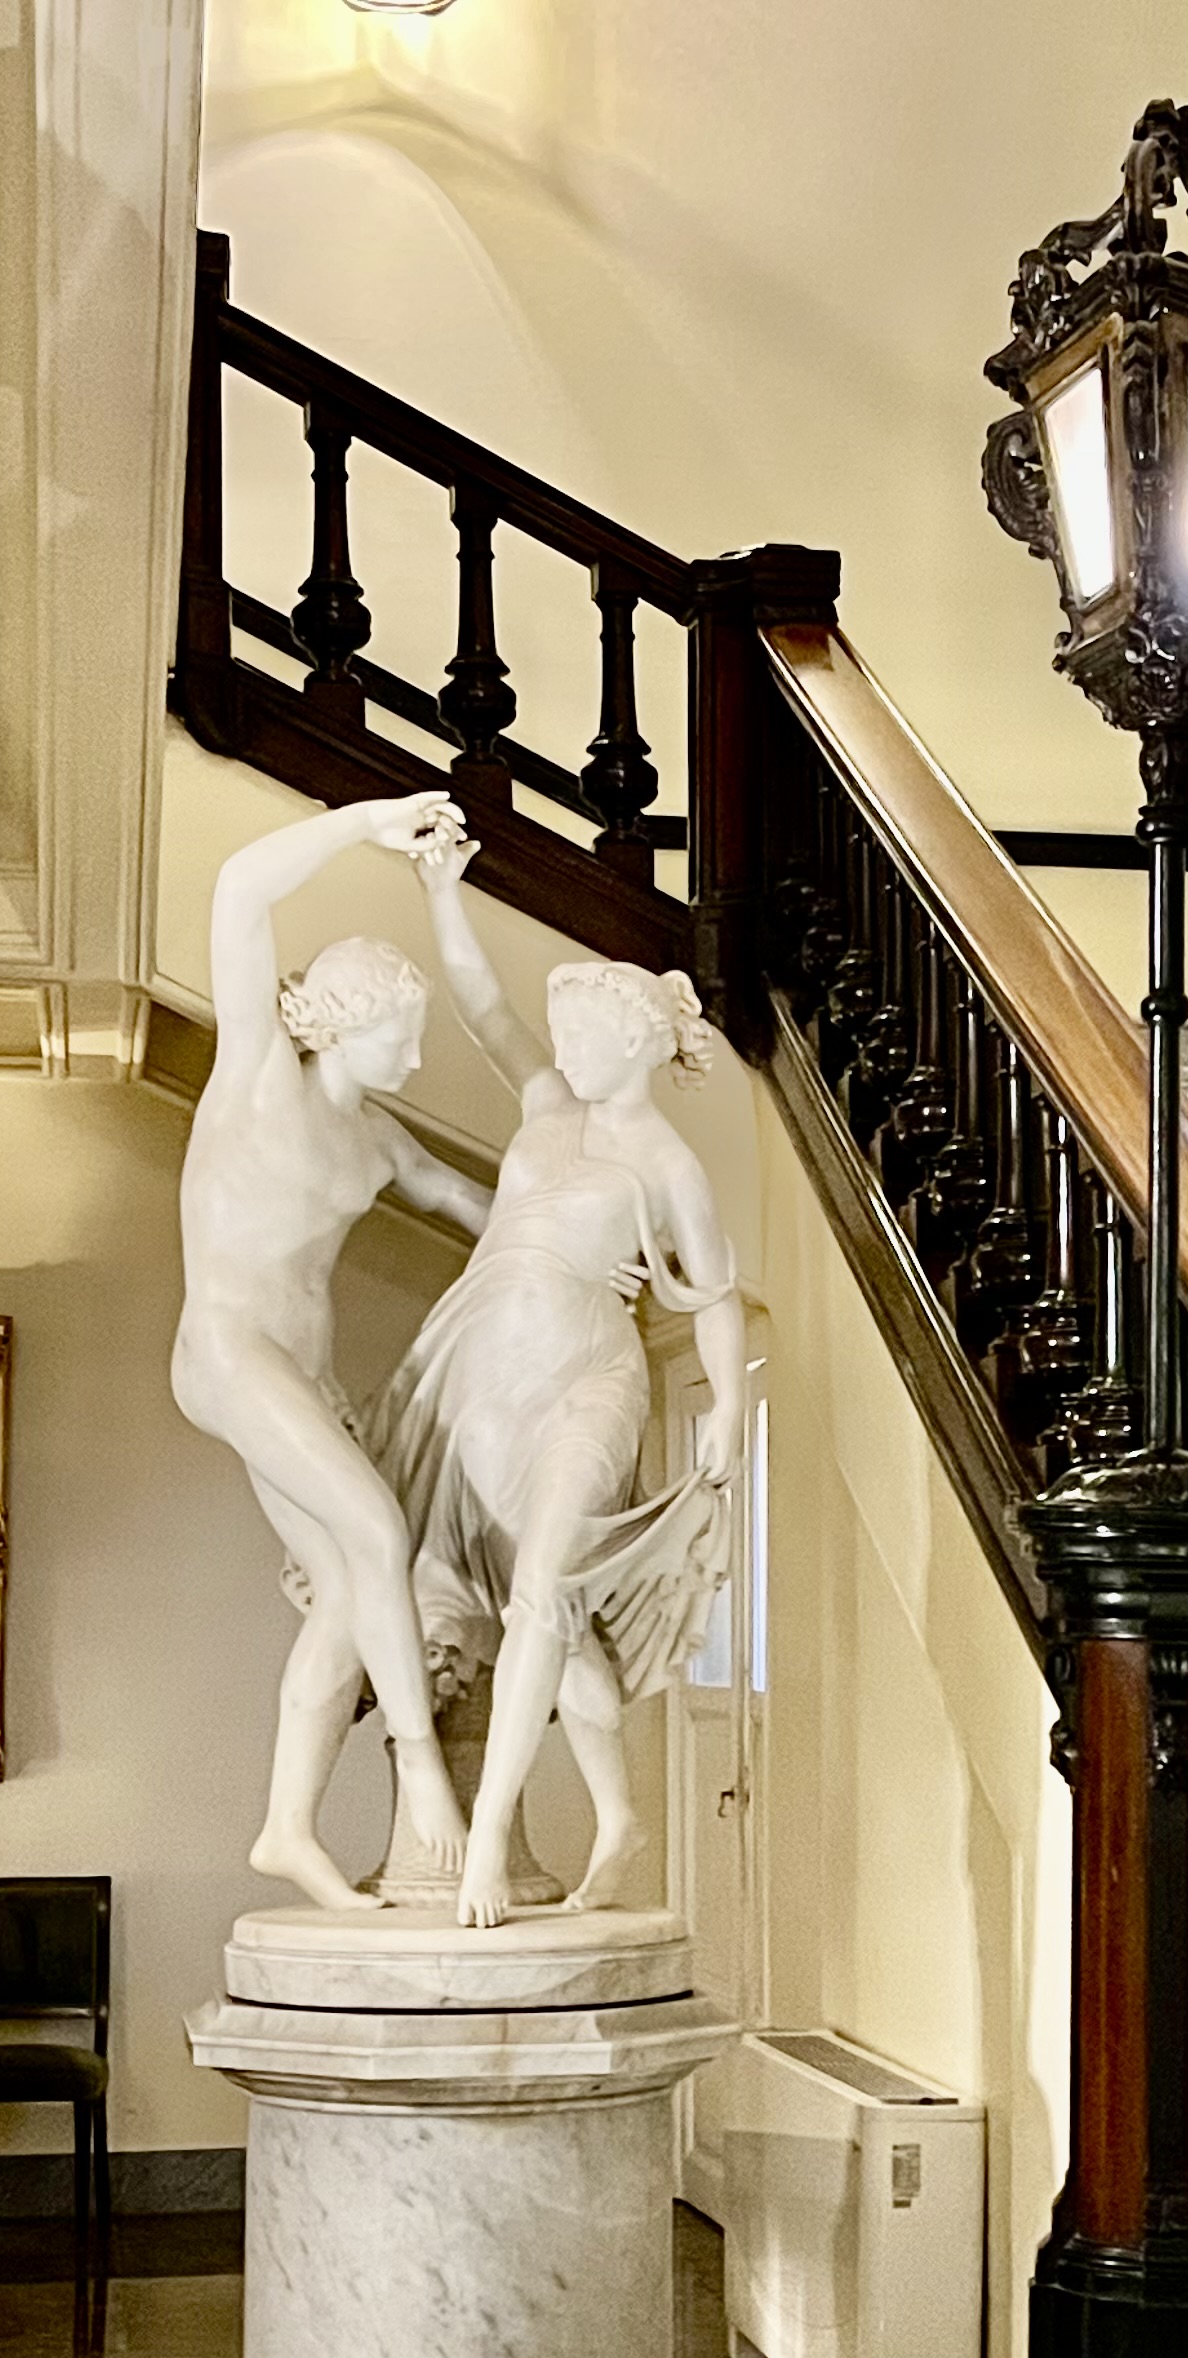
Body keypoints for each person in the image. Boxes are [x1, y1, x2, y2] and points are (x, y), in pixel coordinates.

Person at [375, 837, 746, 1928]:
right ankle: (620, 1816)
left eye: (587, 1033)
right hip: (487, 1371)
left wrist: (726, 1403)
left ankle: (488, 1841)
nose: (566, 1048)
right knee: (550, 1616)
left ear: (634, 1042)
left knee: (542, 1590)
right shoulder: (545, 1107)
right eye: (567, 1032)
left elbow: (715, 1295)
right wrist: (441, 893)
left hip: (590, 1378)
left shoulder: (669, 1166)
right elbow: (482, 1002)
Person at [172, 792, 493, 1911]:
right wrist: (369, 822)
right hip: (230, 1351)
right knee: (377, 1530)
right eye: (399, 1029)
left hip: (303, 1378)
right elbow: (239, 891)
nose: (415, 1048)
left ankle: (286, 1830)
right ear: (346, 1024)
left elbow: (475, 1202)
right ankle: (421, 1787)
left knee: (352, 1600)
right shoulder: (255, 1077)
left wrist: (597, 1227)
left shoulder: (377, 1140)